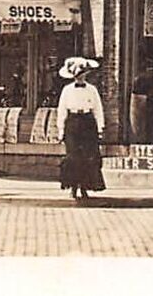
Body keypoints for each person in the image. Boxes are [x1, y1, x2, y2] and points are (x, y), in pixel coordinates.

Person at [55, 55, 106, 201]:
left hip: (87, 122)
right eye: (78, 76)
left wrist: (100, 127)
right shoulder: (67, 90)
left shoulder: (92, 90)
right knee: (73, 156)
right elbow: (62, 109)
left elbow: (98, 109)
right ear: (73, 76)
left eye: (82, 75)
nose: (80, 78)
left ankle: (85, 187)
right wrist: (60, 130)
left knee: (88, 156)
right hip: (72, 122)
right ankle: (73, 187)